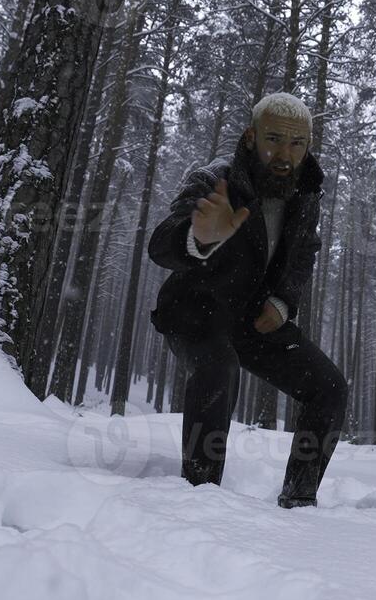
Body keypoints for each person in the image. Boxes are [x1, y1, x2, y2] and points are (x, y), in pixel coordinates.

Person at [147, 93, 348, 508]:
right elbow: (161, 245)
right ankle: (198, 496)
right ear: (251, 137)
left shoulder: (306, 191)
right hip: (195, 312)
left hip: (254, 319)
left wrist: (283, 303)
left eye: (297, 144)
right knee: (219, 365)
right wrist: (197, 238)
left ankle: (299, 500)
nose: (284, 154)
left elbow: (304, 253)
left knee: (329, 387)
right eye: (274, 139)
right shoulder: (216, 179)